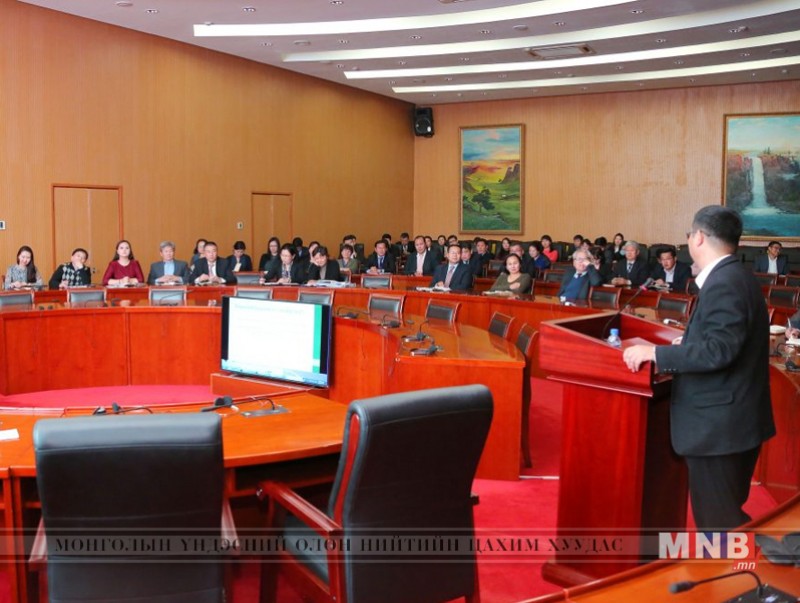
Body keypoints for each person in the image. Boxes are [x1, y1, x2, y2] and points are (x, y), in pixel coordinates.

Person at [623, 205, 775, 531]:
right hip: (731, 422)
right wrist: (688, 343)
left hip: (720, 428)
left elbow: (719, 351)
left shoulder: (725, 283)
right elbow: (728, 340)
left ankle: (740, 567)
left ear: (699, 237)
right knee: (724, 517)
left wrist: (656, 353)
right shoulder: (735, 275)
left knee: (720, 525)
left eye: (689, 235)